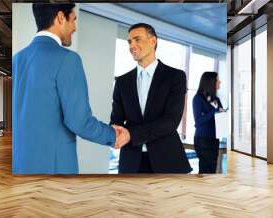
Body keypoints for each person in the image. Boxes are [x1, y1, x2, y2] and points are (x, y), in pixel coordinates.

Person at [12, 3, 129, 174]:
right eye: (73, 19)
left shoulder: (17, 59)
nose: (74, 27)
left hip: (20, 165)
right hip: (53, 169)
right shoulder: (68, 59)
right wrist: (112, 135)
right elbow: (79, 121)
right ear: (60, 17)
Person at [110, 23, 192, 174]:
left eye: (137, 39)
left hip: (167, 159)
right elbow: (116, 120)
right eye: (129, 41)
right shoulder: (122, 82)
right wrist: (112, 133)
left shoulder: (175, 77)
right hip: (131, 162)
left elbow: (171, 121)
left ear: (153, 41)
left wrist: (132, 134)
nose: (132, 45)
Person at [192, 72, 225, 174]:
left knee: (212, 169)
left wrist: (224, 114)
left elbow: (219, 120)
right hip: (202, 140)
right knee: (206, 170)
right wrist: (214, 112)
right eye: (217, 80)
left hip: (214, 139)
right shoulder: (198, 98)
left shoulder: (217, 100)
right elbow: (198, 121)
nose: (219, 82)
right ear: (210, 82)